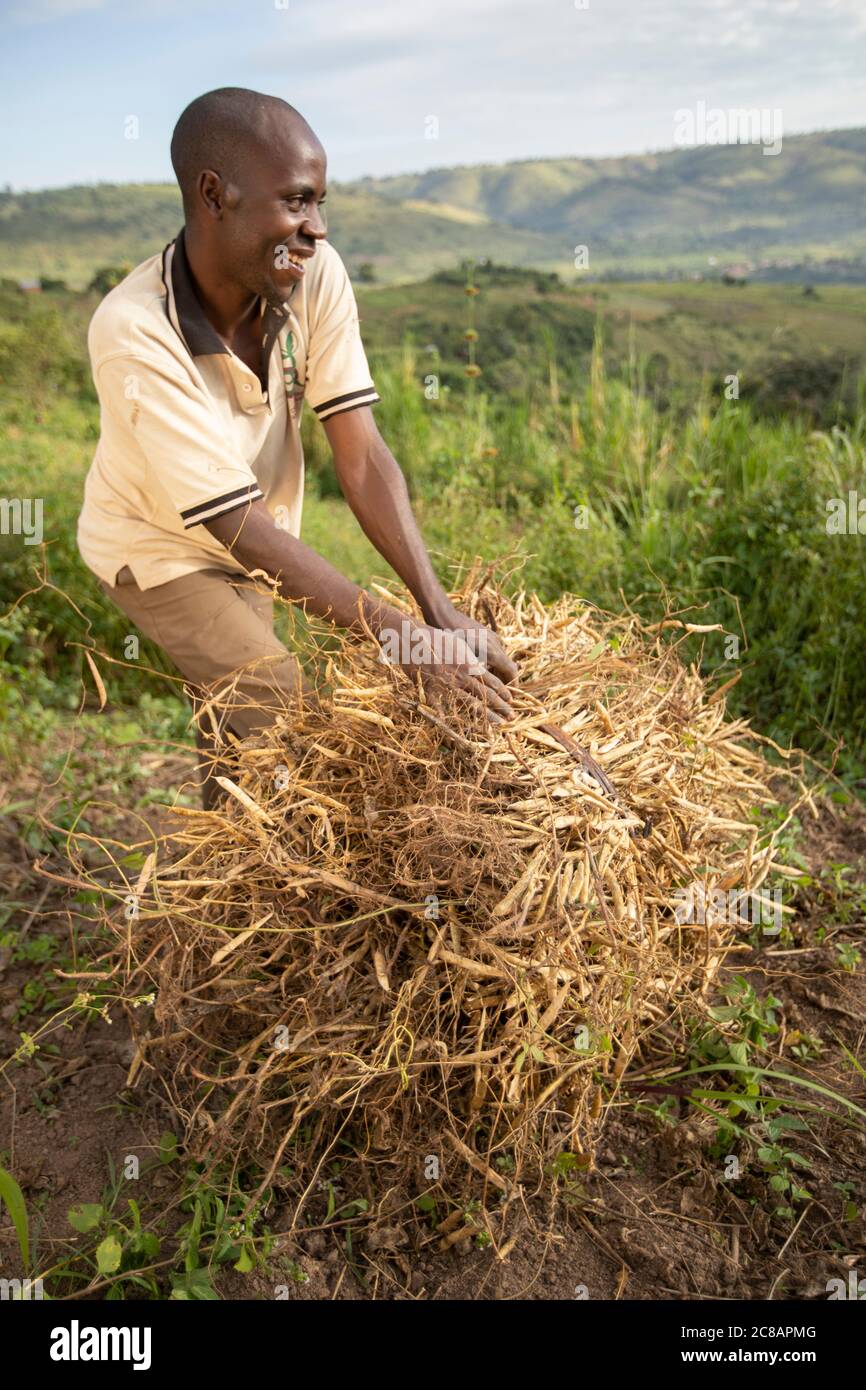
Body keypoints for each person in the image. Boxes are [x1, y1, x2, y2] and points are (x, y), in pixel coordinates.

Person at [77, 86, 517, 808]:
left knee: (235, 720)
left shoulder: (310, 273)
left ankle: (216, 888)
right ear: (213, 195)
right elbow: (232, 522)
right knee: (277, 703)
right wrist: (402, 642)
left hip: (256, 536)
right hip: (158, 550)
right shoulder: (134, 330)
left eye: (320, 204)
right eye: (296, 202)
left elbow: (363, 454)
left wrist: (436, 611)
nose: (316, 228)